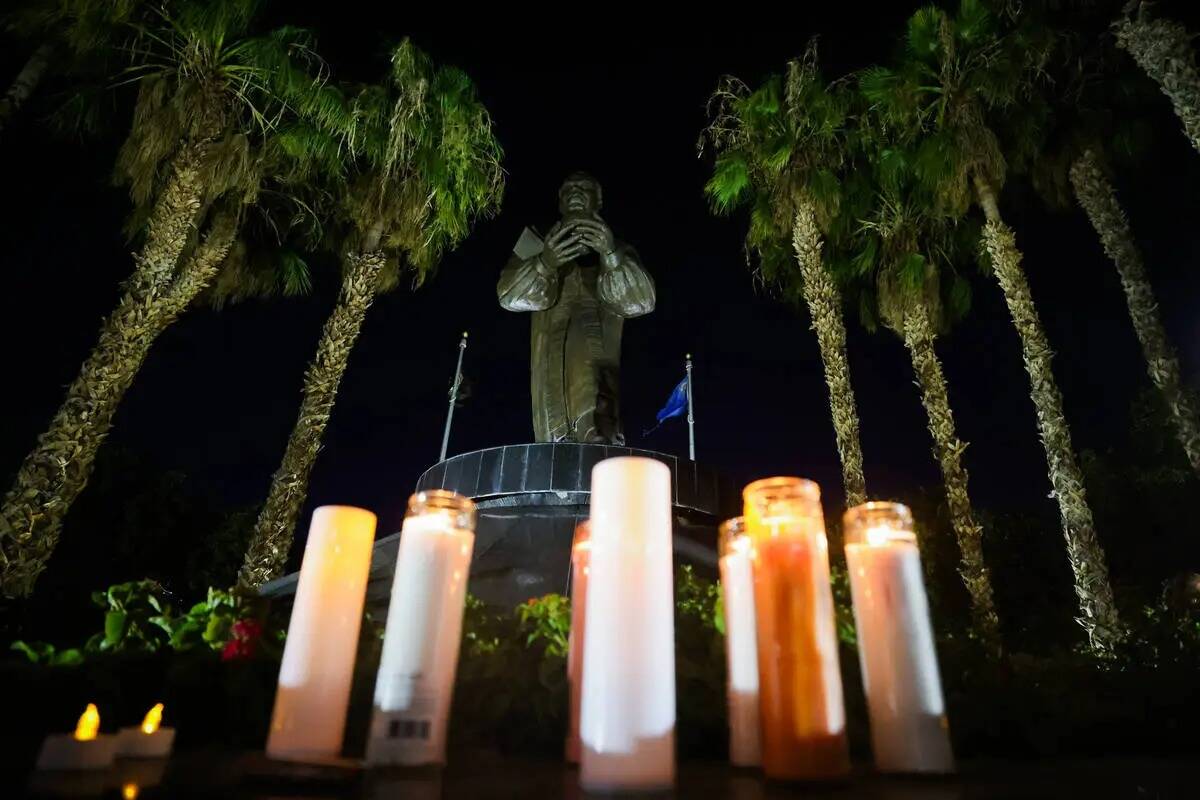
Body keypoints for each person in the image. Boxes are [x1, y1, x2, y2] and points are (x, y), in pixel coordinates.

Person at [498, 172, 655, 444]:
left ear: (599, 199)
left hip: (599, 360)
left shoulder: (617, 247)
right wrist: (545, 262)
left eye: (583, 188)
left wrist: (611, 255)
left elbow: (641, 302)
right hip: (551, 364)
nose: (574, 192)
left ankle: (594, 431)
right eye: (567, 189)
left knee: (591, 377)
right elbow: (508, 296)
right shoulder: (535, 242)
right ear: (559, 203)